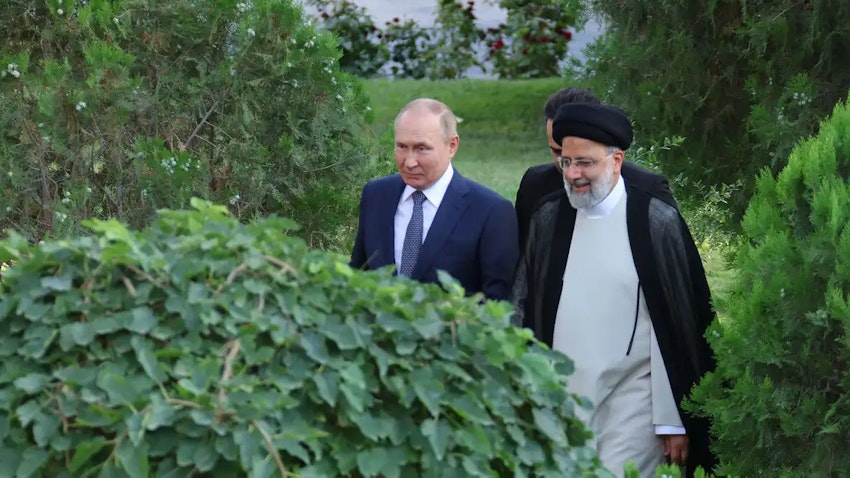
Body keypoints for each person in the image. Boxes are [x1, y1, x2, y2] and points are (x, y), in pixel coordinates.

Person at [511, 102, 716, 477]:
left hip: (632, 400)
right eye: (566, 162)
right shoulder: (549, 217)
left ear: (616, 160)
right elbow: (525, 303)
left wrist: (671, 422)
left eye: (585, 163)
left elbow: (677, 326)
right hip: (563, 398)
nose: (573, 174)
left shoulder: (654, 220)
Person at [351, 98, 518, 301]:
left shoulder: (491, 212)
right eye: (402, 146)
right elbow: (358, 275)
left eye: (422, 148)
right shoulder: (376, 196)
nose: (409, 162)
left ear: (452, 146)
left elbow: (496, 303)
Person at [514, 87, 677, 250]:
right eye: (558, 152)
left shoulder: (648, 190)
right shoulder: (535, 185)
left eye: (583, 160)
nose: (569, 170)